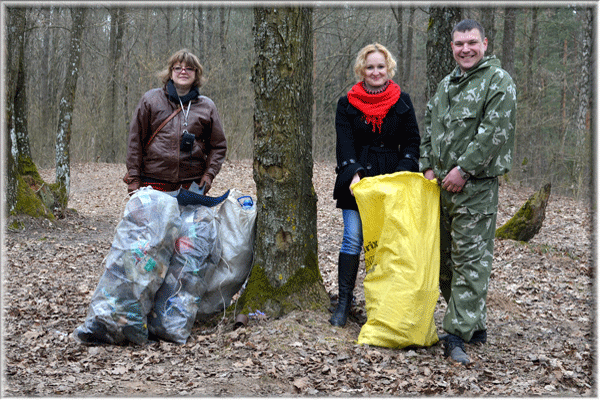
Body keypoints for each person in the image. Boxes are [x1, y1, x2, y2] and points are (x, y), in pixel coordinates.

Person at [419, 19, 517, 365]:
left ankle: (457, 335)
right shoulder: (446, 85)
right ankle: (475, 325)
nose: (466, 49)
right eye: (459, 44)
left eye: (472, 42)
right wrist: (428, 165)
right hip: (441, 190)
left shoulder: (498, 82)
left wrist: (464, 170)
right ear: (452, 47)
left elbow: (495, 133)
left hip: (475, 189)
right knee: (444, 262)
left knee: (470, 264)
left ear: (485, 43)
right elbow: (429, 125)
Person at [331, 43, 421, 327]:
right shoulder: (346, 104)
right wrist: (354, 174)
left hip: (391, 180)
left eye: (380, 66)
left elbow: (412, 142)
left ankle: (381, 304)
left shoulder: (402, 101)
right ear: (362, 69)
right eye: (370, 67)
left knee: (383, 245)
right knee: (353, 238)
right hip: (356, 180)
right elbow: (343, 144)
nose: (375, 71)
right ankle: (345, 302)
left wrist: (400, 176)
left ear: (388, 68)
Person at [125, 49, 227, 195]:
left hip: (192, 184)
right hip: (153, 181)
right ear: (170, 72)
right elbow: (135, 142)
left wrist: (208, 175)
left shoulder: (207, 106)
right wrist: (134, 178)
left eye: (189, 68)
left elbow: (218, 146)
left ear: (196, 73)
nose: (183, 72)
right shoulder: (151, 100)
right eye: (178, 68)